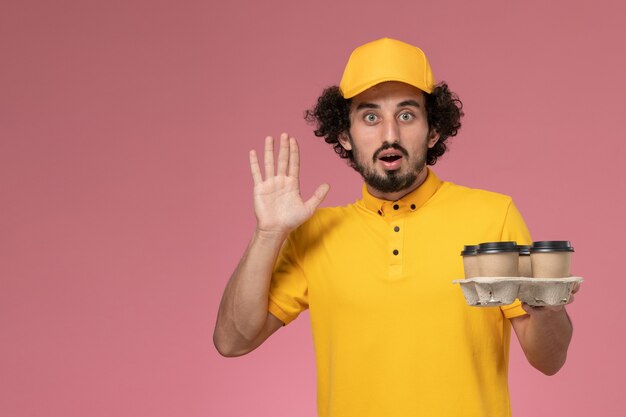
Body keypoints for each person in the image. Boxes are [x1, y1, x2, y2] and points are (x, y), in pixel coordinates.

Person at [213, 38, 577, 417]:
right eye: (370, 117)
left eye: (406, 115)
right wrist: (268, 234)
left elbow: (549, 360)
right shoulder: (315, 232)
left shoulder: (493, 215)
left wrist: (549, 307)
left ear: (433, 131)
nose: (390, 134)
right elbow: (232, 341)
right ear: (345, 135)